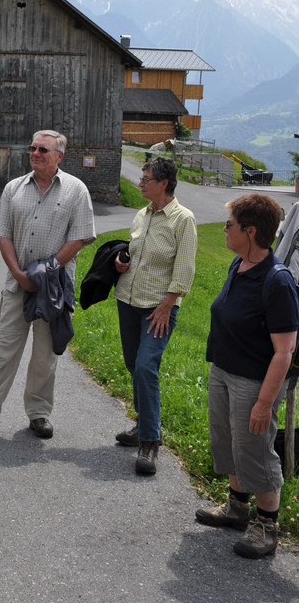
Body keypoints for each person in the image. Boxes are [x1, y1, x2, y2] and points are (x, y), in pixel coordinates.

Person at [0, 130, 96, 440]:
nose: (35, 153)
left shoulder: (76, 190)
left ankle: (39, 414)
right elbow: (3, 233)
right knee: (4, 352)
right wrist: (19, 273)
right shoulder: (13, 188)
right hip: (17, 285)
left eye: (43, 149)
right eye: (32, 148)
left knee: (45, 356)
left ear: (59, 156)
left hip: (53, 288)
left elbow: (80, 238)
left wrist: (47, 270)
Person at [195, 194, 299, 559]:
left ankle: (267, 525)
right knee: (227, 442)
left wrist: (264, 403)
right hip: (223, 371)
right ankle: (237, 506)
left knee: (254, 450)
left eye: (230, 225)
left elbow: (284, 351)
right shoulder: (238, 265)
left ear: (250, 231)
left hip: (254, 382)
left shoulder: (277, 281)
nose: (225, 230)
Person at [114, 156, 197, 474]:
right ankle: (143, 425)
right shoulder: (141, 214)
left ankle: (150, 441)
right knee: (133, 365)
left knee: (146, 367)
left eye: (145, 179)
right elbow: (135, 254)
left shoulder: (183, 219)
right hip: (128, 301)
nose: (140, 183)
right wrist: (121, 263)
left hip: (158, 309)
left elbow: (185, 268)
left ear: (163, 183)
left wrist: (168, 305)